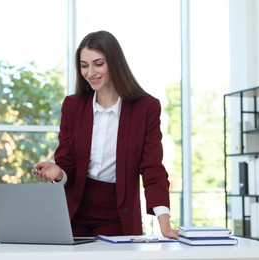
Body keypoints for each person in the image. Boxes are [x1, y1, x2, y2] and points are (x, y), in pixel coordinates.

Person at [32, 30, 178, 239]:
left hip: (117, 213)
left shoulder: (146, 108)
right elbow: (68, 165)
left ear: (115, 63)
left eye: (98, 64)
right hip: (74, 211)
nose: (90, 72)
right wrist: (59, 172)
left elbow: (152, 167)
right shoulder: (72, 106)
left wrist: (164, 223)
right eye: (84, 65)